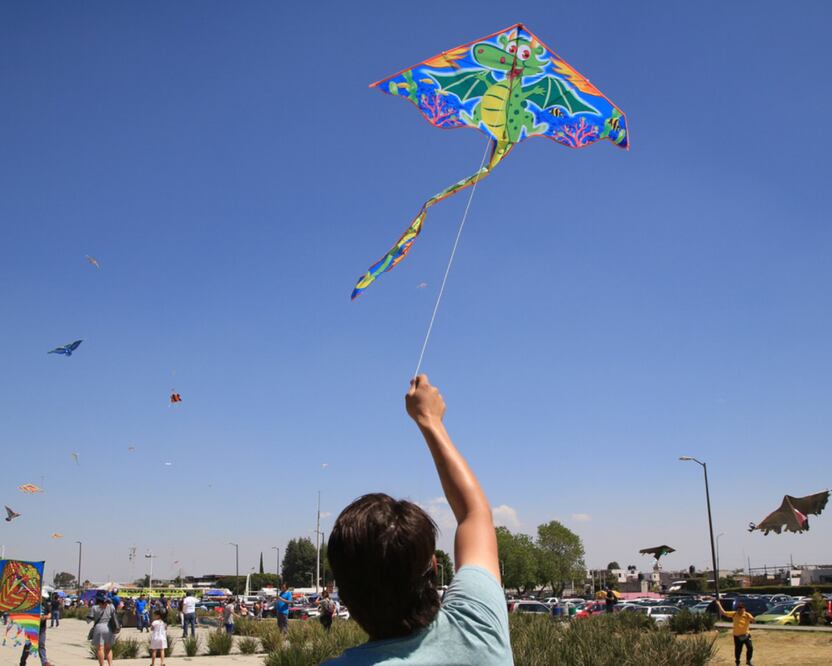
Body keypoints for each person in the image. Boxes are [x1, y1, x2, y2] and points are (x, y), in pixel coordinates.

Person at [325, 375, 513, 664]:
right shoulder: (478, 629)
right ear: (434, 567)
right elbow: (474, 514)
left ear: (344, 595)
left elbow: (473, 516)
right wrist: (429, 420)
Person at [716, 599, 754, 666]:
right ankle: (737, 662)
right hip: (737, 636)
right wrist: (719, 604)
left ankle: (748, 661)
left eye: (741, 609)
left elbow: (753, 620)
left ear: (744, 609)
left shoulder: (747, 615)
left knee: (750, 647)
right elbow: (723, 612)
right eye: (738, 609)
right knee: (738, 650)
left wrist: (753, 619)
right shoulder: (734, 614)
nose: (740, 611)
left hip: (746, 635)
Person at [87, 590, 117, 666]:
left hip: (99, 628)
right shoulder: (111, 606)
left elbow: (88, 620)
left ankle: (102, 665)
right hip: (109, 628)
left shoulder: (94, 608)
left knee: (100, 648)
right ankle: (110, 664)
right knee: (108, 648)